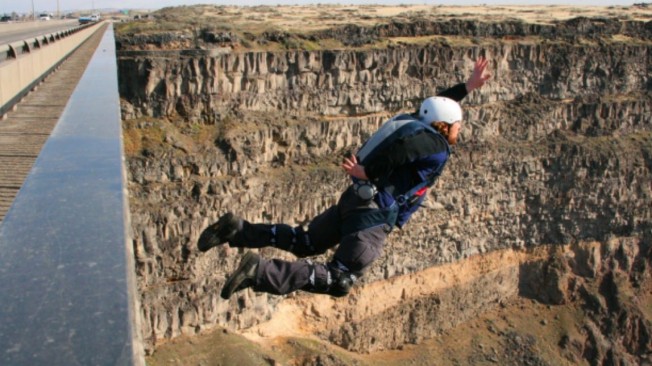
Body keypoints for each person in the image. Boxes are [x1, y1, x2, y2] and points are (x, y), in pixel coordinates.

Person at [198, 58, 491, 300]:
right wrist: (371, 171)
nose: (460, 130)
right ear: (444, 126)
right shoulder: (437, 145)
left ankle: (238, 230)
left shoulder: (418, 123)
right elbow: (407, 147)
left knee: (308, 241)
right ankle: (261, 271)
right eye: (458, 125)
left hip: (357, 200)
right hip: (373, 216)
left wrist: (467, 87)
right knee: (340, 278)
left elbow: (436, 106)